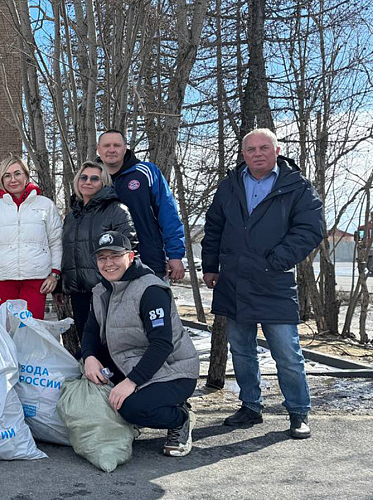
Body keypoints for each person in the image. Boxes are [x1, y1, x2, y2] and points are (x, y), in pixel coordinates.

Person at [202, 128, 324, 439]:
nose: (257, 154)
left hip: (274, 282)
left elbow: (310, 229)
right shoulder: (230, 185)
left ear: (277, 150)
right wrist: (211, 266)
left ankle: (298, 411)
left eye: (264, 148)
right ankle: (250, 406)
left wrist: (277, 260)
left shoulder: (296, 186)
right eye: (251, 149)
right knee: (242, 350)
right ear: (243, 154)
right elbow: (214, 226)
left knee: (287, 353)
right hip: (233, 281)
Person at [82, 231, 200, 457]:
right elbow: (91, 331)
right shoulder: (101, 290)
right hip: (130, 362)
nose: (108, 263)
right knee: (80, 375)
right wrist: (89, 357)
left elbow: (162, 345)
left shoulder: (150, 290)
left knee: (131, 408)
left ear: (130, 256)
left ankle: (180, 418)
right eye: (102, 258)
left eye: (115, 256)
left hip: (173, 371)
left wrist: (131, 382)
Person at [0, 155, 63, 319]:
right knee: (5, 329)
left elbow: (56, 241)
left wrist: (55, 273)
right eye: (7, 175)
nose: (13, 179)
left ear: (26, 176)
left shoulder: (45, 205)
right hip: (0, 281)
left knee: (31, 328)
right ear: (2, 180)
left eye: (17, 174)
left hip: (36, 279)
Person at [60, 160, 137, 337]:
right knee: (87, 341)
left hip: (106, 290)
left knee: (110, 341)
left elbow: (130, 247)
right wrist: (61, 285)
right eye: (84, 177)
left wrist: (122, 285)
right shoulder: (71, 217)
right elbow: (66, 251)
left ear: (103, 182)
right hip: (78, 292)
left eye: (94, 178)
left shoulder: (116, 210)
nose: (88, 182)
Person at [96, 130, 185, 280]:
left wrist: (175, 254)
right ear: (98, 149)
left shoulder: (146, 172)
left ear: (125, 148)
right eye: (106, 145)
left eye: (116, 145)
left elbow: (168, 214)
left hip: (148, 261)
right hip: (104, 266)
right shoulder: (90, 178)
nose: (111, 149)